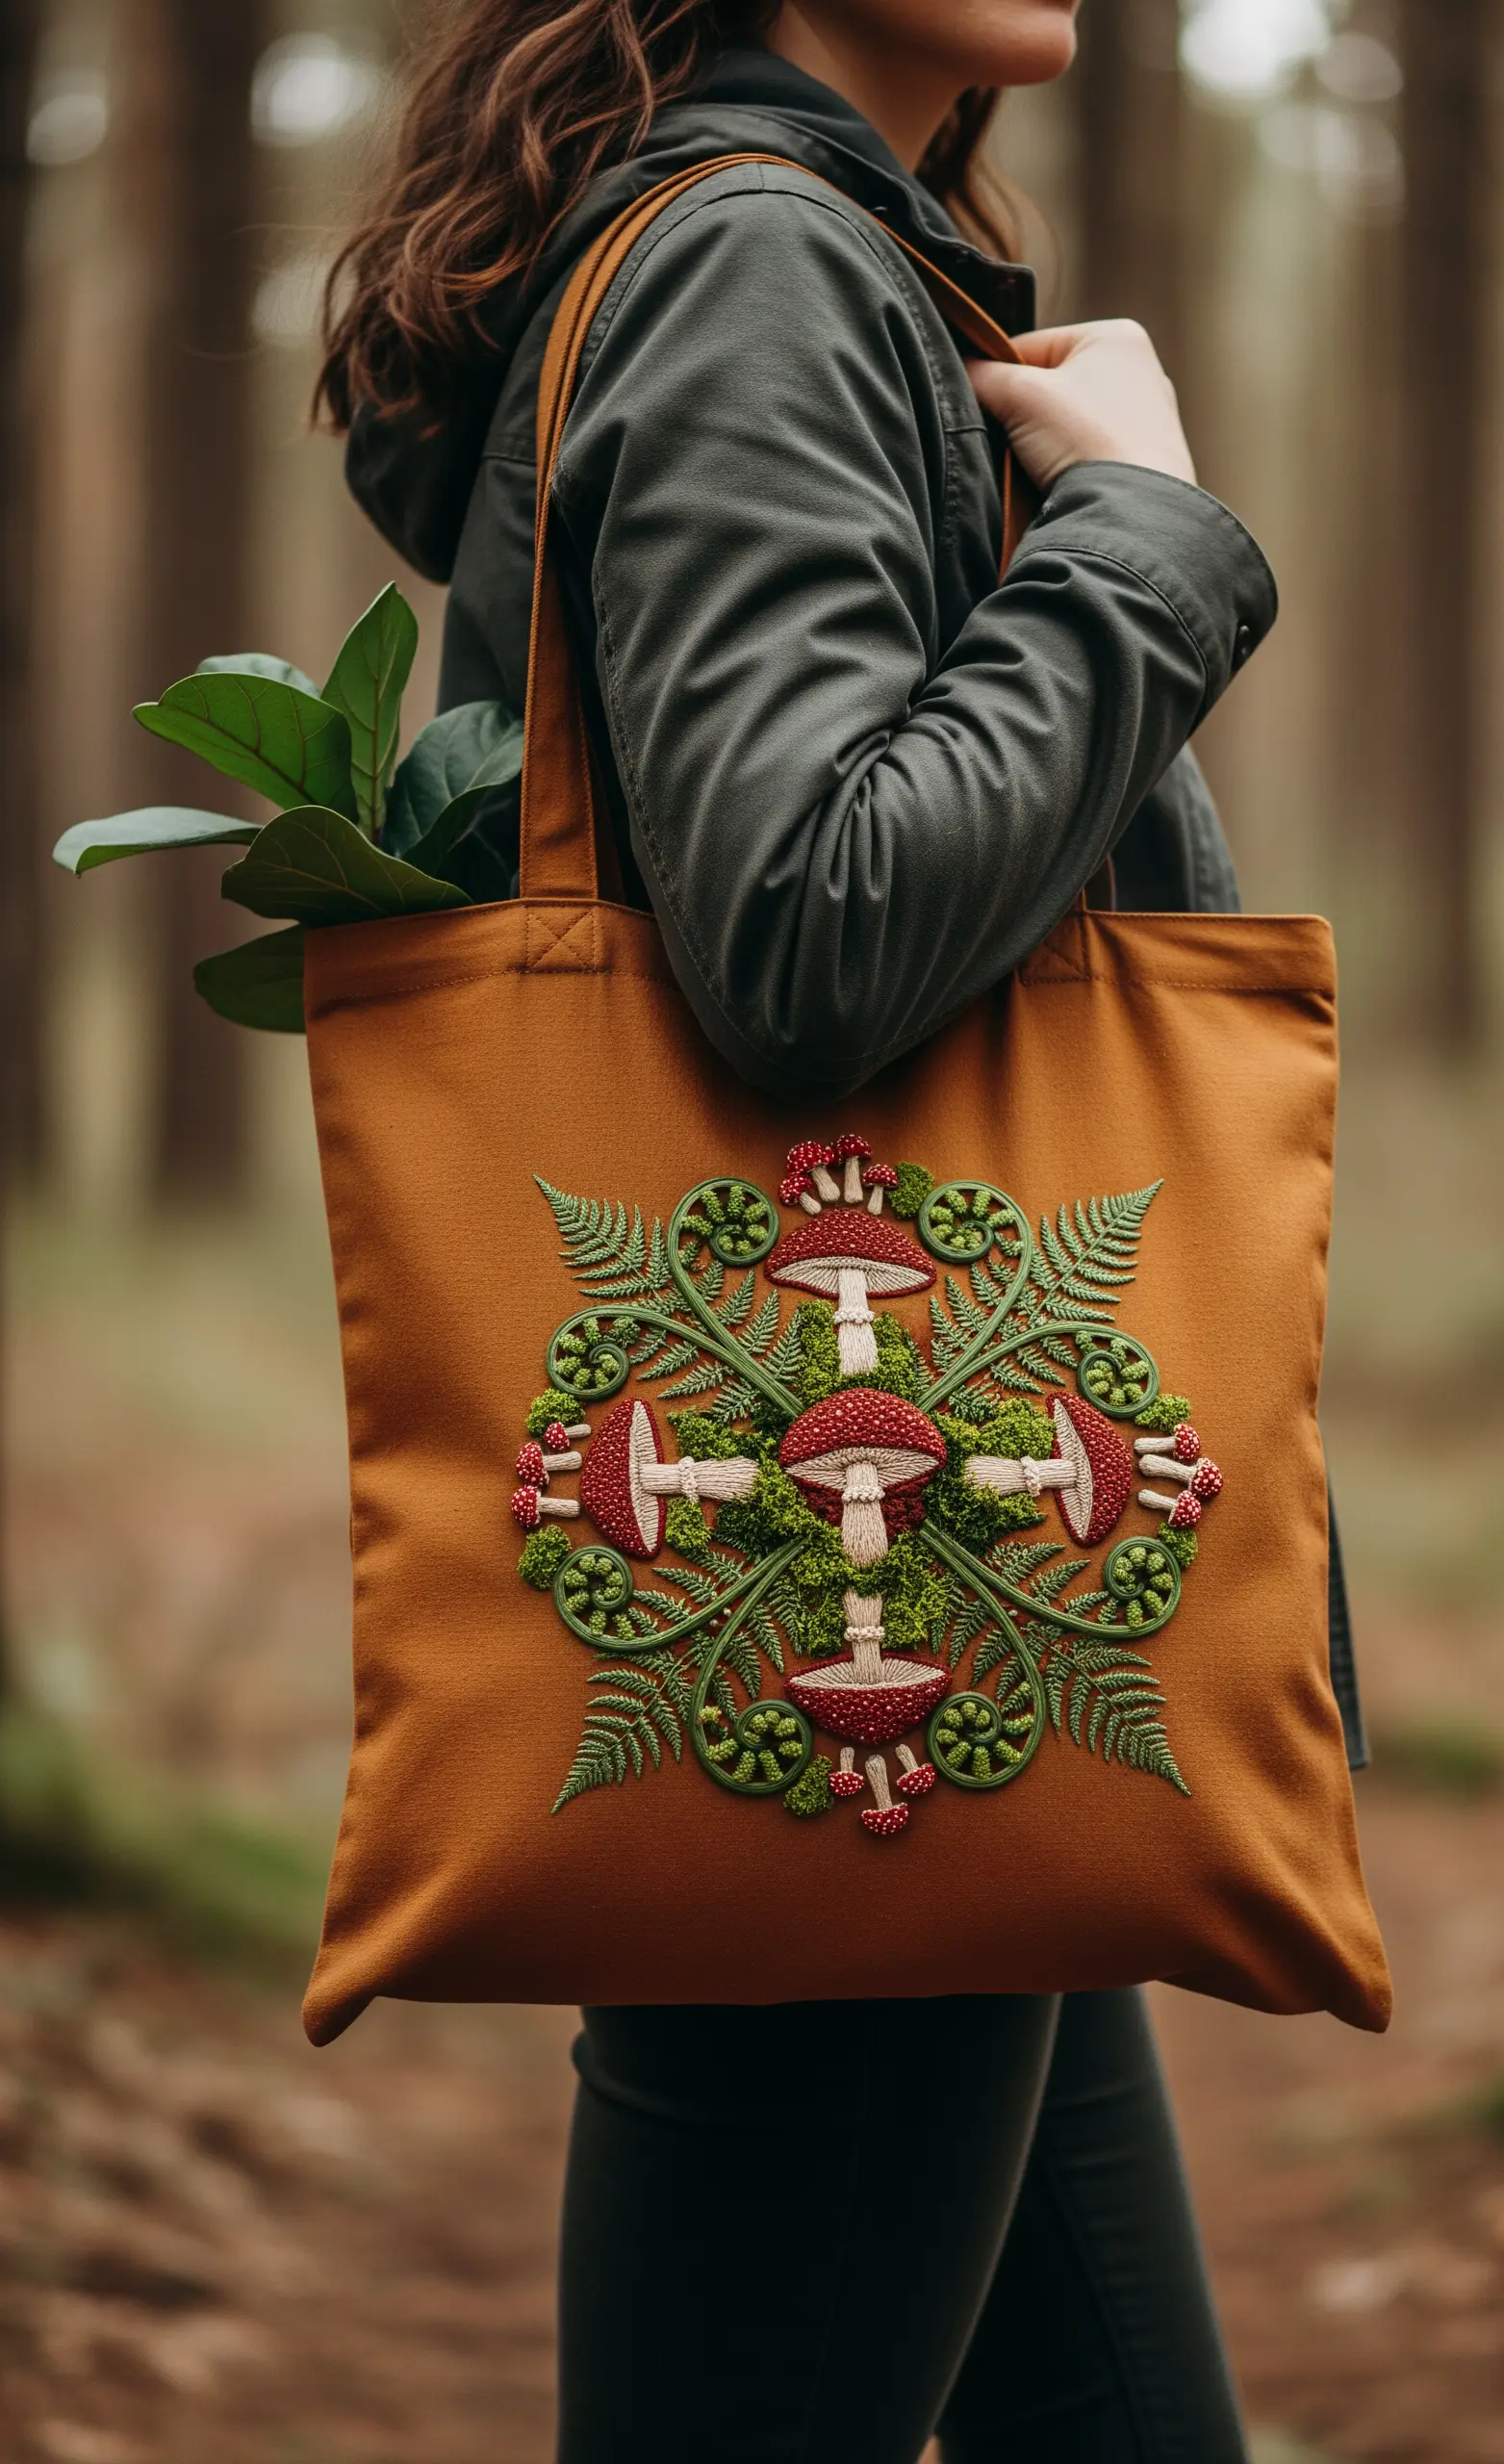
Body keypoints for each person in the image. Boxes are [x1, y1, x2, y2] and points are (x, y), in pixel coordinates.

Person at [318, 4, 1278, 2454]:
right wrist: (1143, 544)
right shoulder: (761, 264)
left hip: (939, 1594)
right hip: (864, 1611)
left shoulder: (824, 249)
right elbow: (810, 921)